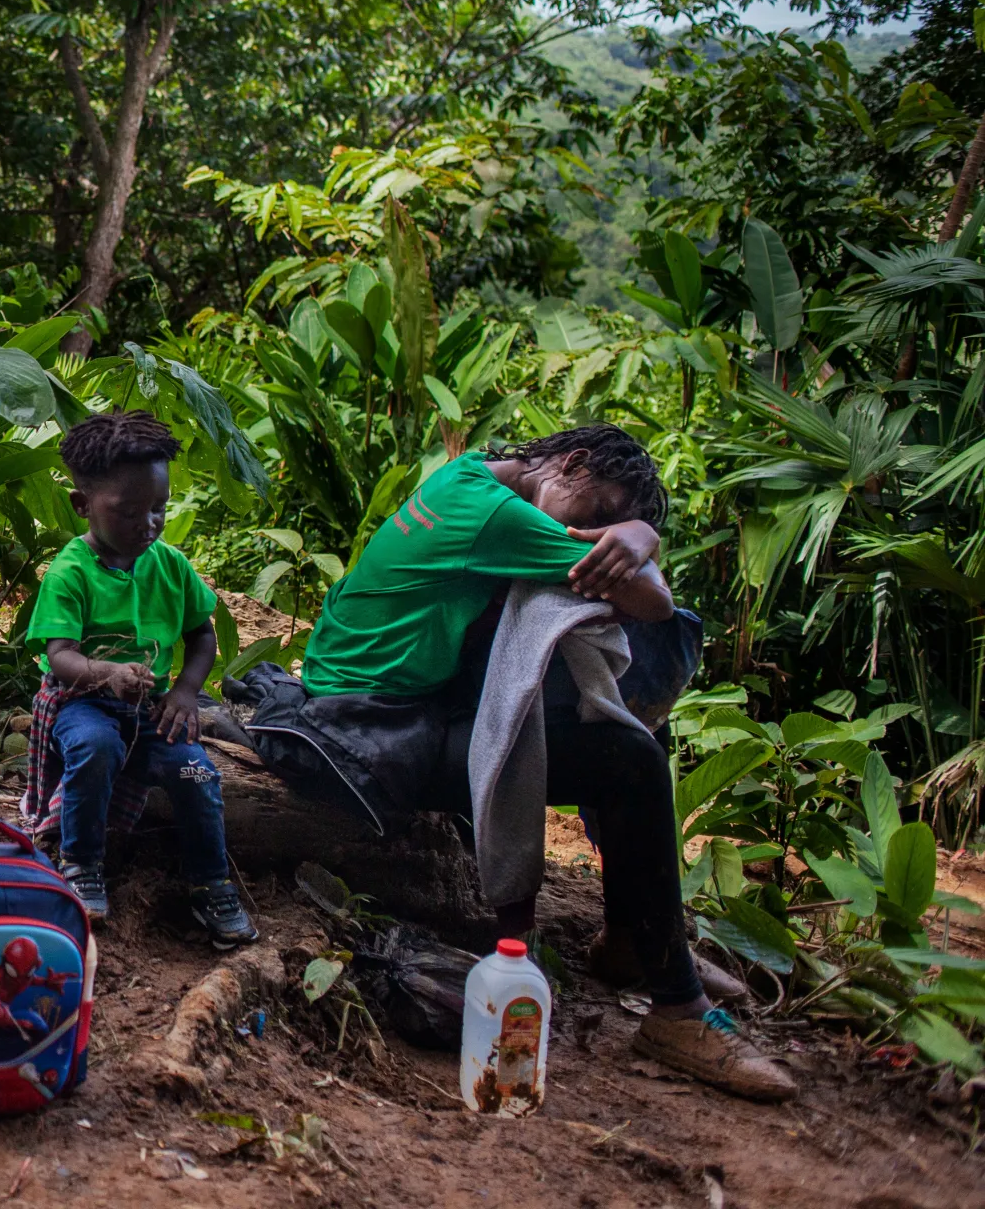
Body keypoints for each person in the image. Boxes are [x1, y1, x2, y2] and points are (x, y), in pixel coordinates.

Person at [289, 425, 797, 1101]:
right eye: (595, 519)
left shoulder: (472, 472)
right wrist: (640, 541)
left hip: (384, 696)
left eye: (610, 530)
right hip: (372, 728)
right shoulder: (501, 518)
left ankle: (628, 939)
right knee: (630, 754)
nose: (597, 538)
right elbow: (653, 603)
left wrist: (639, 535)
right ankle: (676, 1012)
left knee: (610, 720)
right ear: (573, 464)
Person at [21, 411, 257, 945]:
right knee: (96, 746)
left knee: (197, 771)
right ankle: (80, 863)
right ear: (82, 506)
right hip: (83, 702)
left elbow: (202, 637)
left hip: (151, 710)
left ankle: (210, 882)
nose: (148, 524)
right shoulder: (70, 571)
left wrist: (185, 692)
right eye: (129, 512)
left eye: (158, 509)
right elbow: (60, 655)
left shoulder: (170, 564)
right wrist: (104, 674)